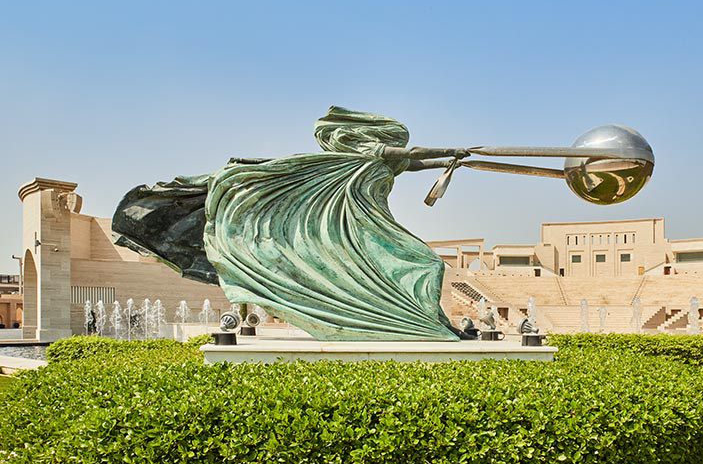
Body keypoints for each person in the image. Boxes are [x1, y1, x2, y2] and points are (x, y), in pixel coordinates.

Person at [113, 106, 471, 340]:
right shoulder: (369, 153)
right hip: (352, 228)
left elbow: (411, 163)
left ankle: (433, 325)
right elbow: (410, 155)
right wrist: (450, 151)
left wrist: (449, 162)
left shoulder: (381, 161)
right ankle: (424, 324)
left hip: (364, 227)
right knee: (426, 263)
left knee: (424, 265)